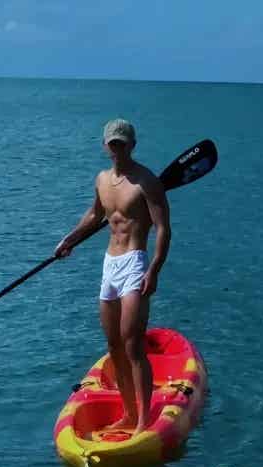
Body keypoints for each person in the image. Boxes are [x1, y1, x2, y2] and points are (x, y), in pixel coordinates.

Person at [55, 118, 171, 437]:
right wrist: (69, 240)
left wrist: (154, 270)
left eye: (123, 143)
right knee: (114, 345)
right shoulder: (102, 180)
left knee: (133, 344)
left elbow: (163, 229)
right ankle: (129, 413)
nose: (117, 148)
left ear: (132, 145)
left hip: (134, 263)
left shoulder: (147, 182)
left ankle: (144, 420)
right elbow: (95, 216)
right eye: (113, 143)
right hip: (110, 264)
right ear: (105, 146)